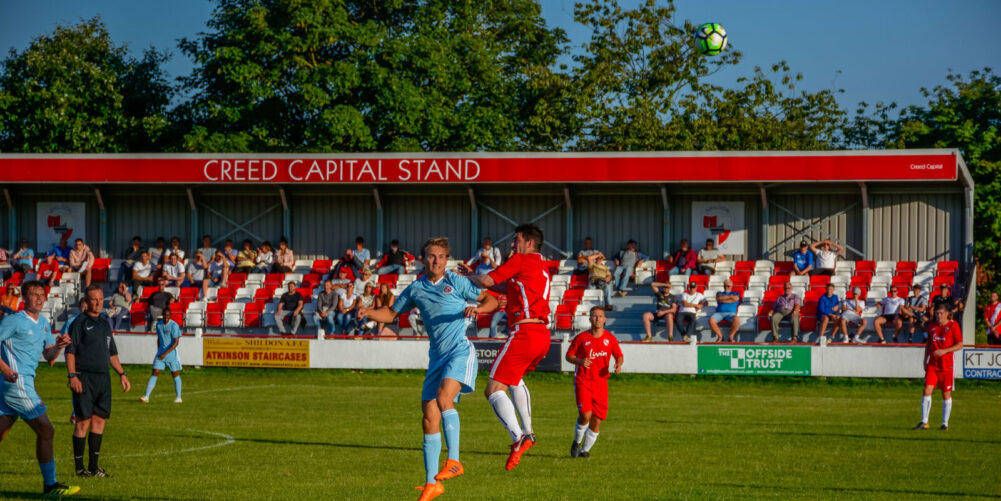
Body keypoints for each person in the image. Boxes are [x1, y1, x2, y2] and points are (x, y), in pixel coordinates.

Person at [358, 237, 497, 501]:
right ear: (423, 259)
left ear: (447, 260)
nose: (436, 261)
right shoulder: (416, 289)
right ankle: (432, 483)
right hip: (436, 358)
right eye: (432, 256)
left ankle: (455, 460)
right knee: (429, 417)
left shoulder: (455, 281)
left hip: (459, 350)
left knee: (444, 398)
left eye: (441, 256)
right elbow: (390, 314)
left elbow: (491, 301)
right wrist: (367, 312)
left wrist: (477, 308)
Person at [461, 223, 551, 471]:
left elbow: (488, 279)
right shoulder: (541, 266)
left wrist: (464, 278)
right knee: (515, 380)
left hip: (524, 332)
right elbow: (502, 286)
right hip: (542, 333)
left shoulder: (521, 260)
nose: (513, 244)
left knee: (492, 390)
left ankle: (518, 437)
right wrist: (474, 275)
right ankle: (529, 432)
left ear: (529, 243)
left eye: (517, 239)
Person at [0, 280, 79, 496]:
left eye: (41, 294)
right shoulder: (14, 321)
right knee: (46, 429)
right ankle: (50, 486)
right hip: (17, 383)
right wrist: (6, 369)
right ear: (24, 298)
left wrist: (60, 347)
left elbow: (48, 355)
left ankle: (50, 486)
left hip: (18, 384)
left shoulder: (43, 323)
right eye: (33, 294)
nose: (38, 298)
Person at [65, 285, 131, 478]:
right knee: (83, 422)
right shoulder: (79, 323)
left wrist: (122, 373)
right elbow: (70, 352)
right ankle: (79, 468)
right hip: (84, 377)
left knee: (100, 420)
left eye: (101, 299)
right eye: (94, 299)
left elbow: (112, 353)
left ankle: (94, 468)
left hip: (103, 379)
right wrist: (72, 376)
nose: (98, 303)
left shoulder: (104, 324)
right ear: (87, 301)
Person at [566, 307, 623, 459]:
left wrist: (618, 364)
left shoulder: (610, 339)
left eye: (600, 316)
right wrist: (579, 361)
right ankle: (577, 442)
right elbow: (569, 356)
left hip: (601, 383)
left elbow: (619, 355)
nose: (597, 318)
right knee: (585, 415)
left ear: (605, 319)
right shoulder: (581, 338)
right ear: (590, 319)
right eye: (594, 316)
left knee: (597, 419)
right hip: (583, 381)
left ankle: (585, 451)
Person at [914, 305, 963, 430]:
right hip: (933, 365)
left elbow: (959, 345)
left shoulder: (953, 326)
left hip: (947, 365)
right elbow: (929, 343)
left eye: (941, 313)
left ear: (947, 313)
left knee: (945, 394)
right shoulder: (932, 326)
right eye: (937, 313)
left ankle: (944, 423)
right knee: (926, 390)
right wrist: (925, 359)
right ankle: (924, 422)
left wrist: (944, 351)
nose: (938, 316)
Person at [139, 309, 182, 404]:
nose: (166, 317)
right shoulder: (159, 325)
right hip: (160, 354)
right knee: (155, 372)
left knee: (174, 374)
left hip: (171, 355)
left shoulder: (174, 325)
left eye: (168, 315)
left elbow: (176, 342)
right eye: (165, 315)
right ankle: (146, 396)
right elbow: (159, 338)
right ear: (162, 315)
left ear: (170, 315)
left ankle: (178, 397)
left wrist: (165, 353)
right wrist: (159, 351)